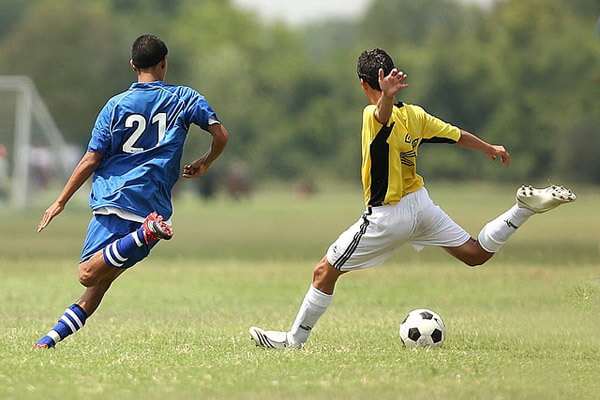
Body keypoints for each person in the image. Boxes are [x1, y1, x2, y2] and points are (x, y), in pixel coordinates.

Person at [249, 48, 575, 349]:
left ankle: (295, 340)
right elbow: (454, 134)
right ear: (390, 77)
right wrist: (489, 147)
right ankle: (521, 209)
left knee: (324, 272)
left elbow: (380, 116)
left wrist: (385, 99)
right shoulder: (415, 115)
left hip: (388, 215)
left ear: (364, 84)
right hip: (421, 204)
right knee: (475, 253)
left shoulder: (371, 114)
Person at [34, 34, 229, 349]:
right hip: (153, 204)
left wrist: (60, 201)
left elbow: (91, 159)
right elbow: (221, 135)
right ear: (165, 63)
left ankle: (143, 234)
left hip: (116, 199)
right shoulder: (185, 98)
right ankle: (50, 340)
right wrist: (205, 162)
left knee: (87, 274)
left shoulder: (115, 106)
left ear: (132, 65)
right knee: (99, 285)